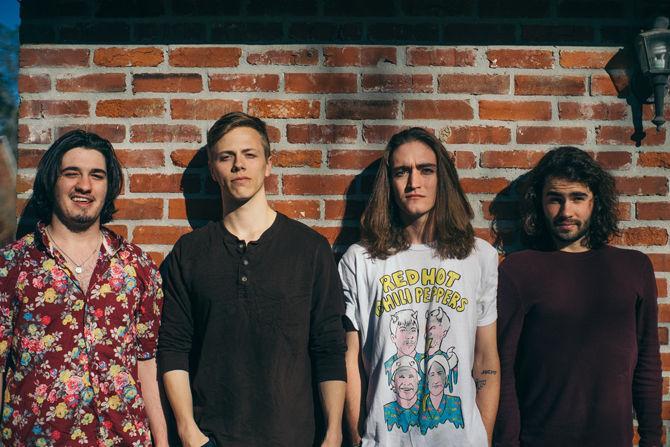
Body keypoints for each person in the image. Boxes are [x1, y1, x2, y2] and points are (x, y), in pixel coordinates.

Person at [157, 112, 347, 447]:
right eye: (226, 157)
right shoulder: (190, 252)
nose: (238, 166)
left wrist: (333, 432)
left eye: (249, 155)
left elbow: (328, 347)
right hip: (213, 437)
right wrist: (188, 432)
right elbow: (174, 347)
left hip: (295, 437)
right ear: (214, 171)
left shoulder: (310, 249)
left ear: (268, 165)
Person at [0, 130, 167, 446]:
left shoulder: (137, 265)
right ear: (53, 181)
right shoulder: (12, 264)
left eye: (97, 175)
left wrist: (161, 439)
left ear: (108, 186)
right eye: (71, 173)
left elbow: (146, 361)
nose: (84, 186)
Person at [340, 127, 500, 446]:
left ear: (442, 179)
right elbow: (351, 358)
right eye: (402, 172)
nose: (414, 183)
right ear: (390, 183)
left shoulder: (478, 256)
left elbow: (486, 359)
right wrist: (359, 439)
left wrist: (482, 437)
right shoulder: (359, 260)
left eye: (426, 170)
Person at [494, 146, 662, 447]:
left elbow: (647, 365)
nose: (566, 211)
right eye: (555, 199)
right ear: (539, 203)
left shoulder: (633, 268)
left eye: (577, 198)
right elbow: (502, 371)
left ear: (595, 202)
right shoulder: (518, 271)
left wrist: (652, 440)